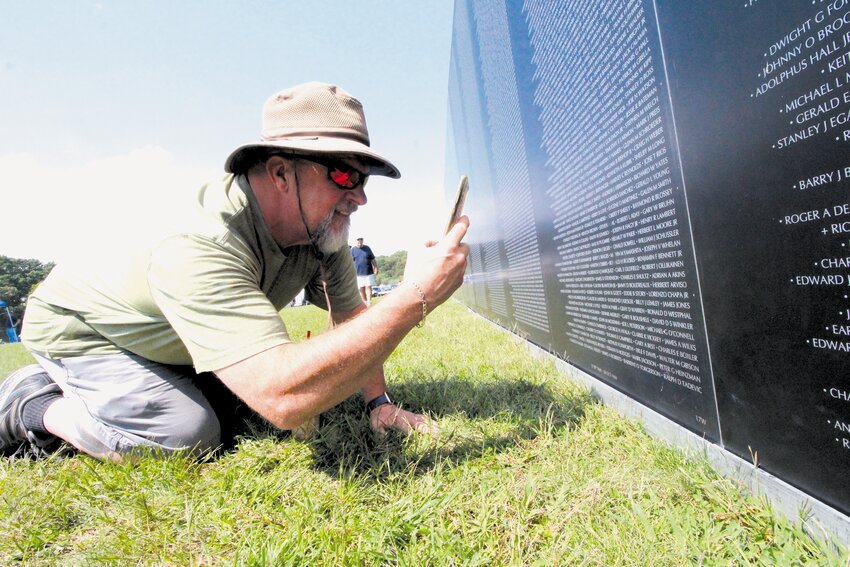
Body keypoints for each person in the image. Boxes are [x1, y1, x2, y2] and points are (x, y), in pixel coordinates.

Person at [0, 82, 469, 461]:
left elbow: (351, 319)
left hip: (170, 337)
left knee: (251, 410)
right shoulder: (203, 242)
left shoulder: (320, 230)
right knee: (188, 435)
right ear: (281, 172)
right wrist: (413, 296)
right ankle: (30, 406)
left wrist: (378, 405)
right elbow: (284, 399)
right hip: (88, 333)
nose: (360, 196)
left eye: (363, 179)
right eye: (344, 176)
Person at [351, 237, 378, 305]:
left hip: (368, 272)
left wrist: (376, 267)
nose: (360, 242)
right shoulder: (352, 250)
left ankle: (369, 302)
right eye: (358, 240)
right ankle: (365, 302)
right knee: (361, 288)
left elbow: (373, 259)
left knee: (368, 286)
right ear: (355, 241)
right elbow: (350, 262)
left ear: (363, 241)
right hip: (358, 274)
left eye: (361, 240)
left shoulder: (367, 248)